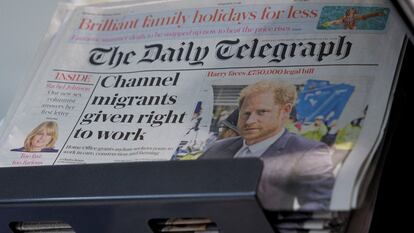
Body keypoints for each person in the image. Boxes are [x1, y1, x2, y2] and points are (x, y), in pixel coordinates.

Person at [199, 80, 334, 211]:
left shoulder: (307, 152)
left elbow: (317, 210)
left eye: (261, 112)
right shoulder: (217, 148)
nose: (250, 121)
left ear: (285, 111)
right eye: (246, 113)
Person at [321, 7, 385, 30]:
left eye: (351, 10)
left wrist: (376, 14)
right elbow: (335, 22)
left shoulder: (353, 17)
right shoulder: (345, 18)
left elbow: (365, 16)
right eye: (350, 10)